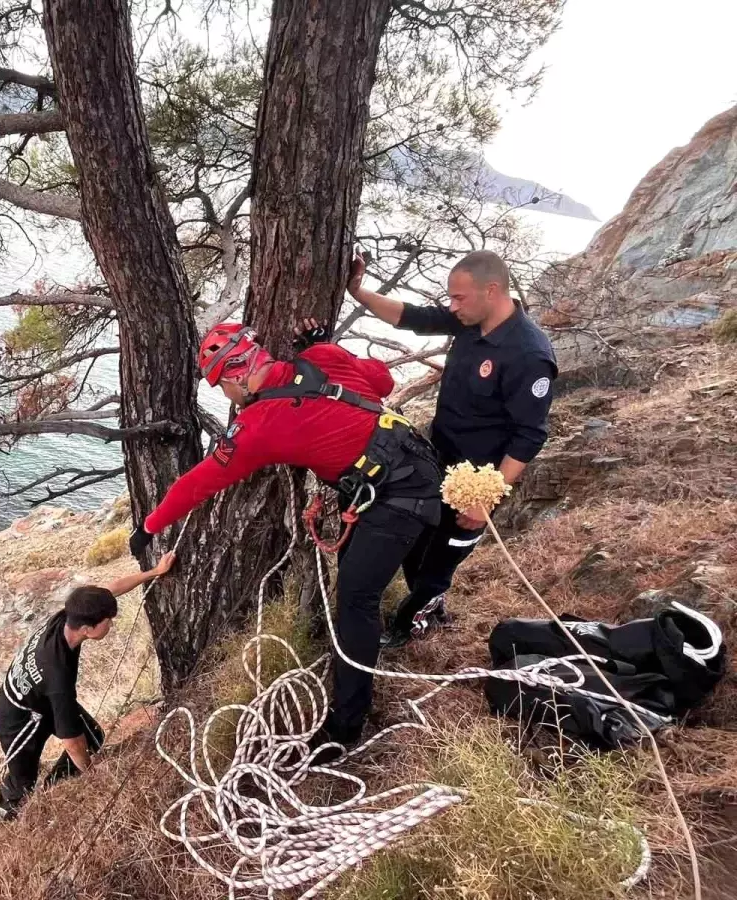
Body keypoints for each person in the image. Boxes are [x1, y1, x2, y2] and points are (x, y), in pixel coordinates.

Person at [128, 321, 442, 748]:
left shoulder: (257, 427)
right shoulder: (321, 357)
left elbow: (196, 484)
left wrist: (148, 527)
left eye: (222, 387)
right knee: (354, 585)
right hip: (412, 466)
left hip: (400, 497)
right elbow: (382, 381)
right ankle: (369, 646)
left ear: (237, 373)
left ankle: (346, 727)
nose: (228, 397)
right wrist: (330, 349)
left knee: (356, 600)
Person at [347, 249, 558, 649]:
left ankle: (410, 627)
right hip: (435, 460)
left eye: (458, 297)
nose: (452, 306)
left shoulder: (529, 354)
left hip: (477, 481)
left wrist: (485, 499)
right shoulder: (469, 320)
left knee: (440, 561)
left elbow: (530, 435)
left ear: (491, 290)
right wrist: (358, 292)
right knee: (415, 544)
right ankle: (430, 610)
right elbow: (412, 317)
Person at [0, 552, 176, 821]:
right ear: (88, 629)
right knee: (23, 781)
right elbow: (72, 743)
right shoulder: (58, 677)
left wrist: (154, 572)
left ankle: (55, 786)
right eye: (108, 621)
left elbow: (111, 590)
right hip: (18, 720)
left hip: (38, 697)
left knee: (93, 736)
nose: (111, 623)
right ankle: (5, 814)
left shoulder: (68, 616)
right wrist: (91, 773)